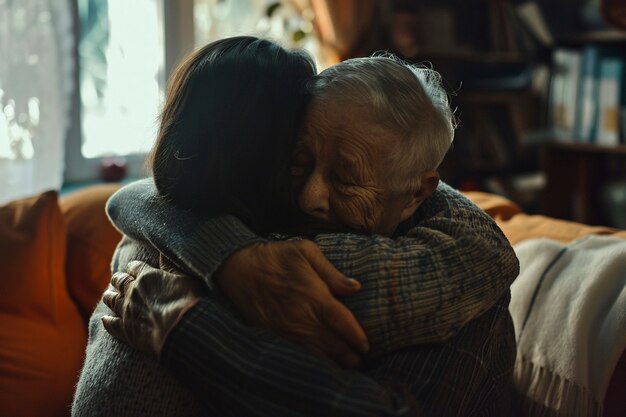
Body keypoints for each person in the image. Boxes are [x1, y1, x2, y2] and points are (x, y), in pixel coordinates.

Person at [73, 37, 518, 417]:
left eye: (346, 179)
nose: (309, 197)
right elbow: (137, 195)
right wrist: (230, 256)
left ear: (418, 194)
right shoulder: (250, 232)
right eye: (297, 162)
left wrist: (187, 324)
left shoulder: (431, 279)